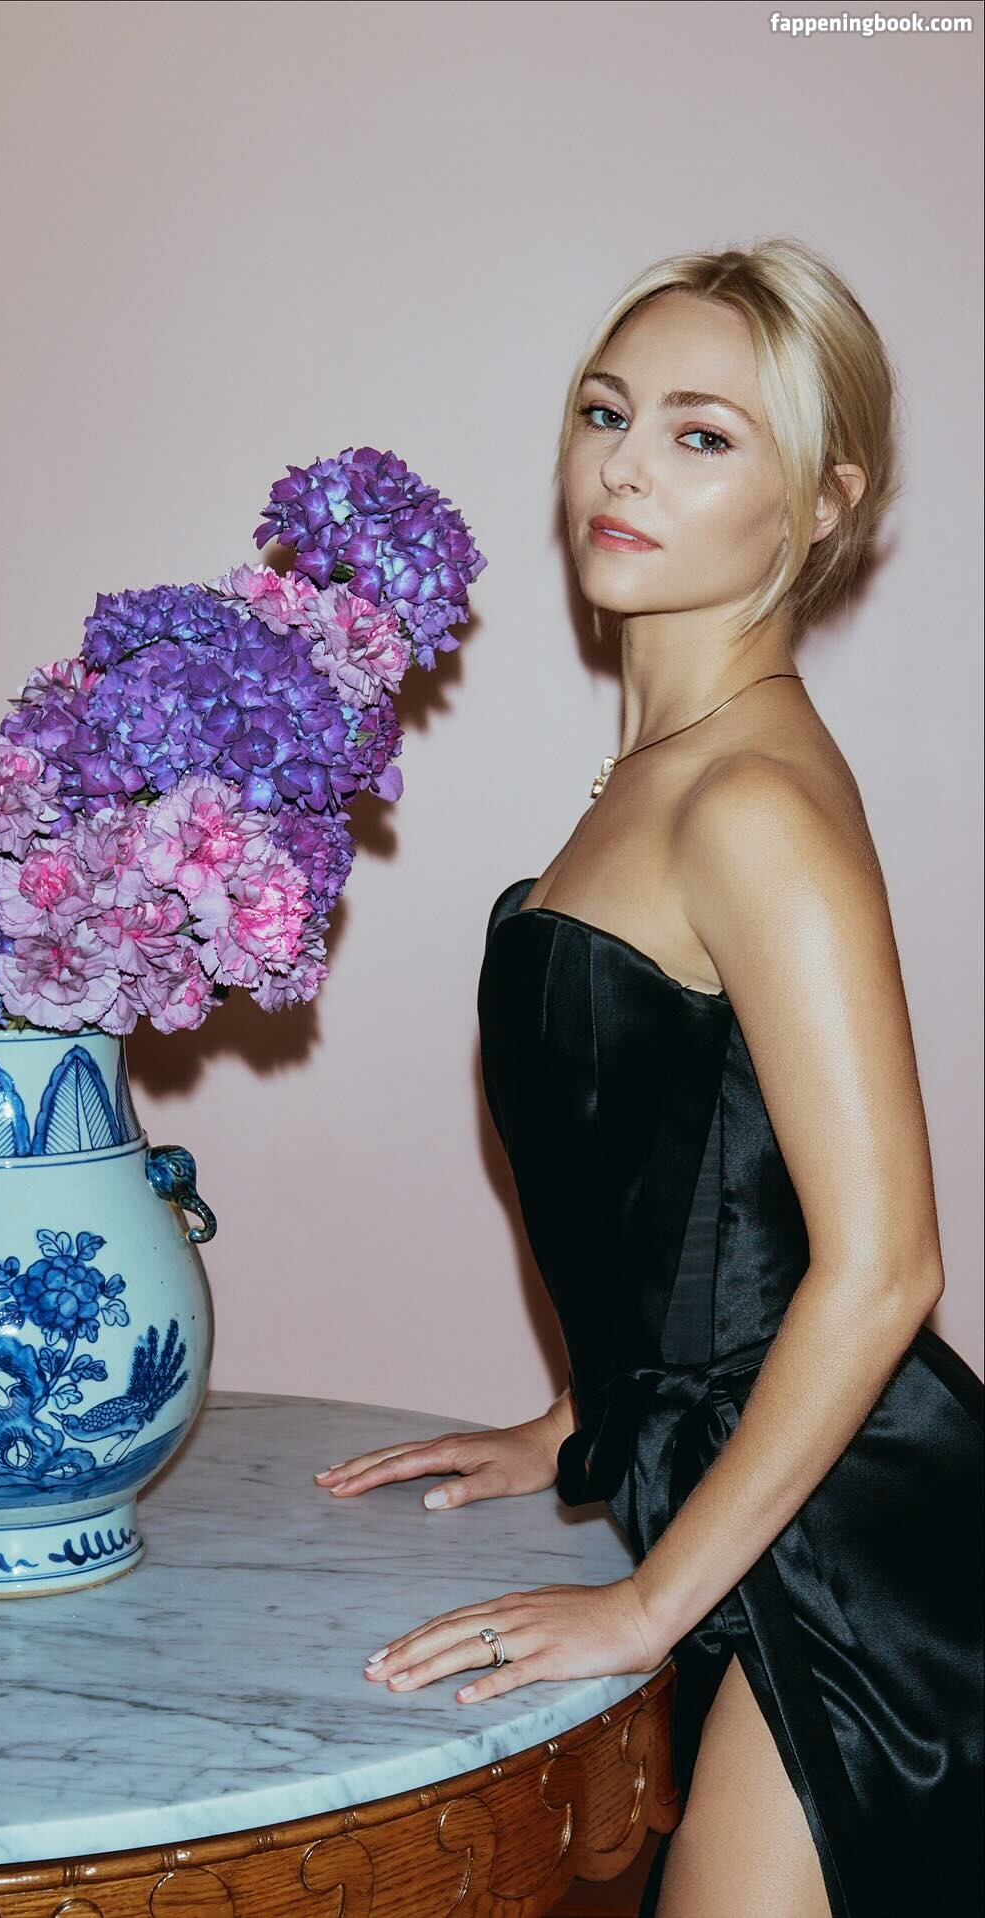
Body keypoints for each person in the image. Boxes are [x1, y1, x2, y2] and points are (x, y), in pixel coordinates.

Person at [313, 239, 984, 1918]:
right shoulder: (662, 777)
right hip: (737, 1492)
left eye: (702, 435)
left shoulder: (750, 802)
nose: (623, 466)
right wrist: (577, 1417)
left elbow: (885, 1264)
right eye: (607, 413)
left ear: (822, 503)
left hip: (852, 1549)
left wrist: (639, 1605)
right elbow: (686, 1160)